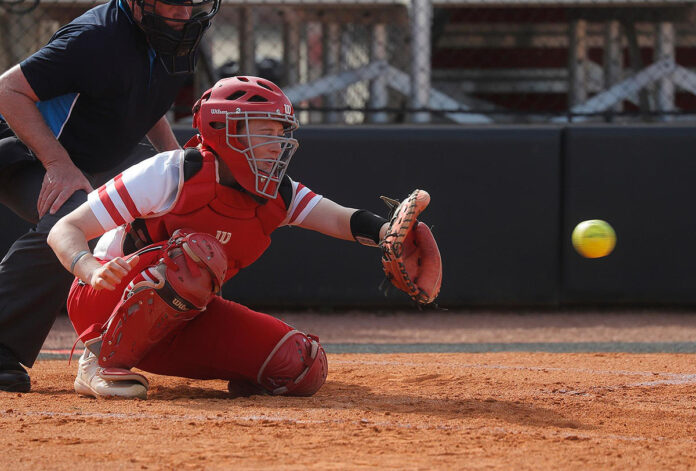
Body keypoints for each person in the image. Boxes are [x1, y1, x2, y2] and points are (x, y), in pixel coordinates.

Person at [46, 76, 437, 399]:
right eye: (264, 131)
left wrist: (389, 234)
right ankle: (98, 362)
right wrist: (90, 267)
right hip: (103, 300)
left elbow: (340, 219)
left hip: (184, 312)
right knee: (197, 256)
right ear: (222, 131)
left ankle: (186, 358)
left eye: (280, 132)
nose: (277, 144)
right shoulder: (173, 173)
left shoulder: (276, 191)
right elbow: (65, 228)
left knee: (301, 366)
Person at [0, 0, 221, 392]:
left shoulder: (177, 34)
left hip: (91, 160)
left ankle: (130, 339)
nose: (185, 13)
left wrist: (177, 166)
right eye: (173, 2)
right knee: (71, 220)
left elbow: (143, 100)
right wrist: (57, 163)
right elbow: (9, 90)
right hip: (24, 148)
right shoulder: (95, 38)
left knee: (166, 212)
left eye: (192, 2)